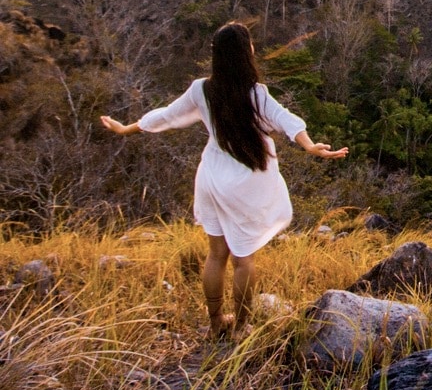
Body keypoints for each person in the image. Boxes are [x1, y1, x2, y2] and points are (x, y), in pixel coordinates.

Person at [100, 21, 348, 337]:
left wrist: (127, 128)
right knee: (243, 261)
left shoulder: (201, 89)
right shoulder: (256, 94)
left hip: (212, 178)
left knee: (216, 255)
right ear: (247, 54)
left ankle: (216, 323)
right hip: (245, 182)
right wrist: (310, 146)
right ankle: (241, 327)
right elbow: (286, 119)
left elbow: (166, 116)